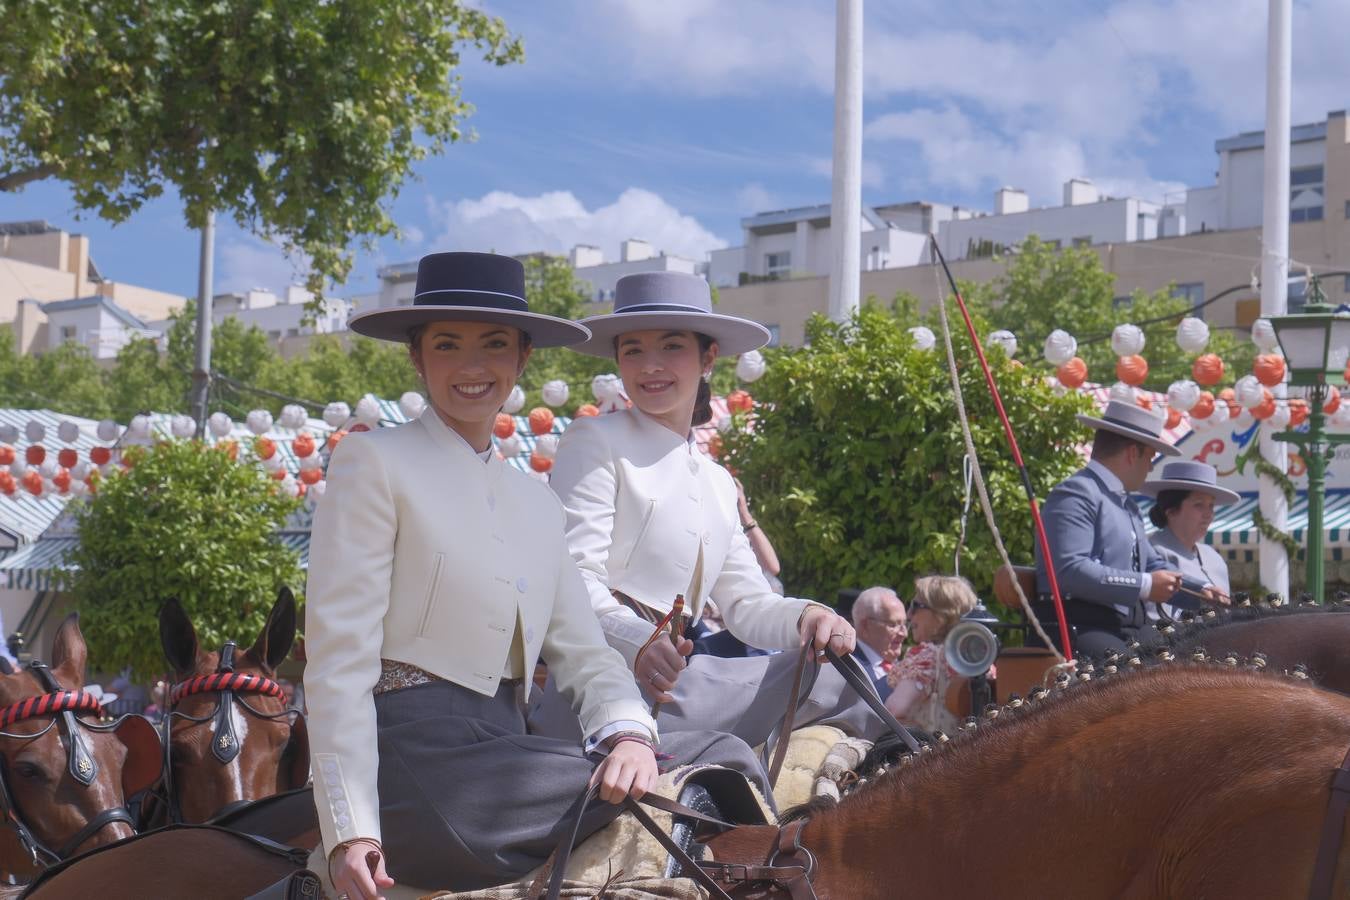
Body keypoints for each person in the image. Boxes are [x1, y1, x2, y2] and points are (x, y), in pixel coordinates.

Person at [305, 253, 766, 898]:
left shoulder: (535, 502)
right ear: (416, 357)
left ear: (522, 359)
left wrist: (631, 735)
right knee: (688, 786)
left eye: (495, 345)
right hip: (421, 765)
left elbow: (583, 651)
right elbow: (338, 662)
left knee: (724, 763)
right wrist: (351, 828)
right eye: (447, 344)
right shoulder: (373, 462)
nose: (473, 366)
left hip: (512, 756)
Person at [538, 271, 882, 752]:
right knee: (825, 694)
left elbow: (746, 606)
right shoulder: (595, 439)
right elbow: (573, 578)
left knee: (842, 675)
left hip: (681, 687)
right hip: (599, 687)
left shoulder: (719, 482)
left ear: (709, 358)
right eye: (633, 349)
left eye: (672, 346)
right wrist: (638, 639)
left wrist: (810, 616)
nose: (650, 365)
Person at [1033, 400, 1218, 659]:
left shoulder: (1127, 505)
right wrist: (1144, 585)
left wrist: (1202, 592)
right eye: (1151, 457)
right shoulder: (1075, 493)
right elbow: (1068, 569)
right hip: (1080, 625)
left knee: (1190, 661)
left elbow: (1152, 565)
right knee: (1140, 679)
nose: (1151, 467)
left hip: (1125, 627)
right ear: (1133, 454)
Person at [883, 576, 979, 733]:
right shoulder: (980, 660)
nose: (908, 615)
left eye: (915, 606)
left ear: (941, 615)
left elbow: (894, 710)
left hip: (932, 753)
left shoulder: (929, 657)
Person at [1142, 461, 1236, 604]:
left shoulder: (1215, 558)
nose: (1209, 514)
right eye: (1199, 505)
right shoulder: (1151, 553)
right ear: (1171, 510)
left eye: (1211, 506)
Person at [849, 586, 907, 700]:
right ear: (865, 626)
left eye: (905, 624)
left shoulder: (907, 666)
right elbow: (866, 704)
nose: (904, 634)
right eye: (893, 624)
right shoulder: (847, 666)